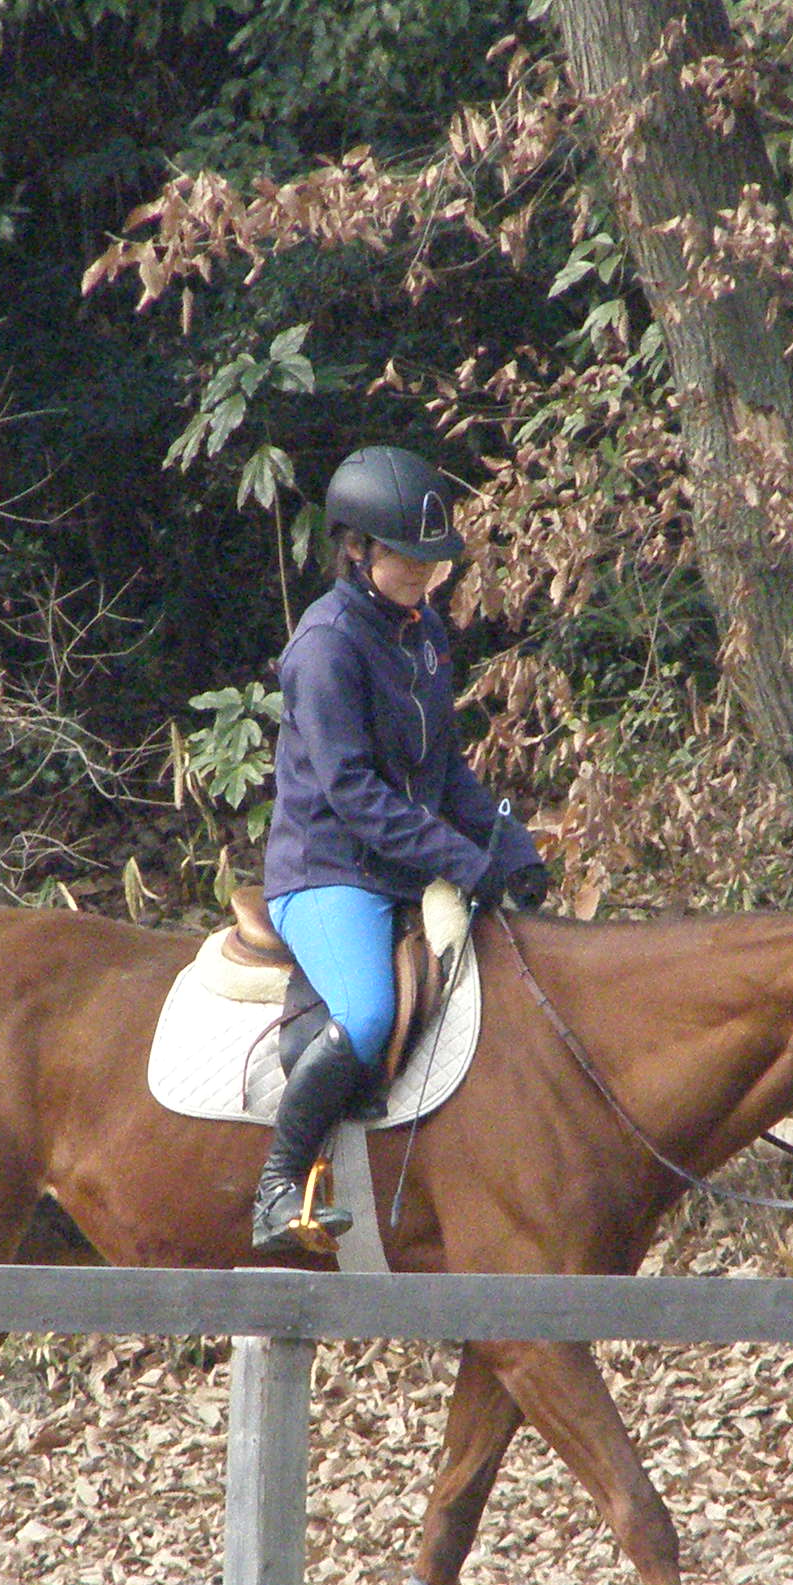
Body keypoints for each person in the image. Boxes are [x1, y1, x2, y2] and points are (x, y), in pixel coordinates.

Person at [252, 445, 547, 1251]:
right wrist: (461, 862)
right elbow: (353, 795)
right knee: (368, 1012)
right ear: (357, 548)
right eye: (407, 557)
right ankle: (277, 1187)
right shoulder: (325, 647)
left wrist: (508, 849)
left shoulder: (422, 634)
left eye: (433, 559)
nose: (424, 573)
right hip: (329, 869)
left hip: (403, 863)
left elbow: (445, 770)